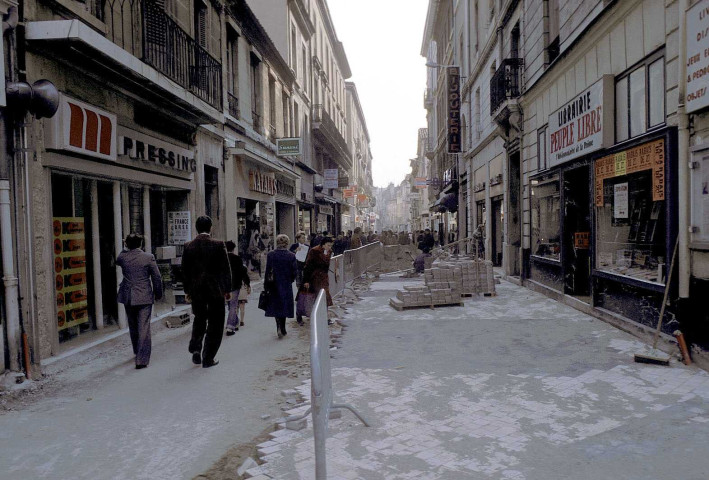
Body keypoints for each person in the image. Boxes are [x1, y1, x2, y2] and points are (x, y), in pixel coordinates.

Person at [181, 215, 232, 368]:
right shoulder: (218, 245)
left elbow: (184, 271)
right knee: (216, 323)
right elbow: (225, 269)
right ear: (211, 228)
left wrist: (187, 290)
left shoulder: (188, 246)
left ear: (196, 228)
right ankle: (208, 357)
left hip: (197, 290)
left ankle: (196, 347)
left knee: (199, 318)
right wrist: (227, 289)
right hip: (215, 290)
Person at [116, 233, 163, 369]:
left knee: (133, 325)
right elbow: (157, 277)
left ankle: (137, 350)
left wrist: (125, 246)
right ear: (141, 244)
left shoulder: (123, 257)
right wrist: (158, 294)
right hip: (144, 296)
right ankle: (141, 359)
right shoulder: (148, 257)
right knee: (144, 327)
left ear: (127, 244)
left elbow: (118, 258)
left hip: (128, 296)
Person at [264, 234, 298, 338]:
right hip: (286, 283)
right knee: (284, 305)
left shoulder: (271, 254)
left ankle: (278, 325)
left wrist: (266, 284)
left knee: (276, 305)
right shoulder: (291, 255)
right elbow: (294, 271)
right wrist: (291, 280)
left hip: (273, 283)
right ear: (287, 243)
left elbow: (267, 270)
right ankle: (282, 327)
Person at [303, 236, 334, 325]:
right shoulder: (314, 251)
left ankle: (324, 317)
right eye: (328, 245)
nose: (329, 247)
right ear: (323, 245)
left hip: (324, 277)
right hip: (315, 277)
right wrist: (307, 280)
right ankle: (317, 316)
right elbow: (308, 265)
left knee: (325, 296)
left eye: (330, 246)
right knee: (317, 297)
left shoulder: (329, 251)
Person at [225, 240, 250, 336]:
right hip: (235, 285)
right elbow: (243, 272)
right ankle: (230, 327)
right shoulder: (237, 259)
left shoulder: (221, 259)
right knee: (233, 305)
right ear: (233, 248)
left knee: (230, 305)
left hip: (223, 286)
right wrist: (247, 284)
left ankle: (235, 322)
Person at [289, 232, 309, 325]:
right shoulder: (294, 246)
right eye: (302, 238)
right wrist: (295, 251)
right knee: (299, 287)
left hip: (304, 268)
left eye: (304, 238)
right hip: (297, 268)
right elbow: (289, 255)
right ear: (298, 239)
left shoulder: (307, 246)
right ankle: (299, 314)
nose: (303, 239)